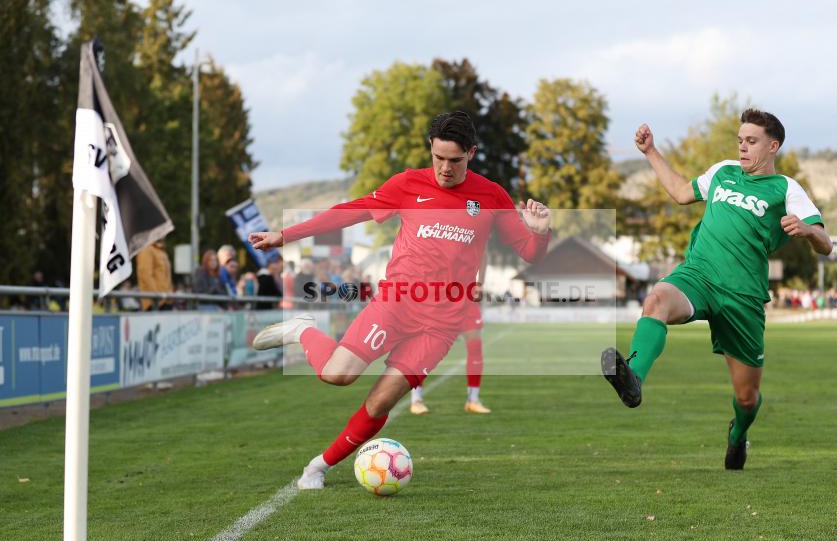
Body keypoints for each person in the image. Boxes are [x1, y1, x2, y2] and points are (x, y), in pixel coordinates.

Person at [248, 111, 551, 490]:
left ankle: (316, 468)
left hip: (441, 325)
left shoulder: (491, 195)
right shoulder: (408, 184)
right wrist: (286, 234)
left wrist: (540, 233)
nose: (444, 168)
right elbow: (350, 212)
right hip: (396, 305)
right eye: (438, 158)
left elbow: (530, 252)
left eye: (455, 161)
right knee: (337, 375)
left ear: (471, 153)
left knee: (381, 403)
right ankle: (303, 330)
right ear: (430, 149)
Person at [602, 109, 833, 471]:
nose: (742, 147)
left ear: (773, 146)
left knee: (746, 398)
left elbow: (826, 243)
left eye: (751, 141)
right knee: (656, 300)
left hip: (743, 297)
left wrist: (808, 231)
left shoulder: (786, 188)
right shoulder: (724, 172)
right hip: (700, 275)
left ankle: (738, 434)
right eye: (740, 140)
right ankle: (633, 377)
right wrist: (650, 152)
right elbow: (680, 192)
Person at [409, 252, 490, 414]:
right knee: (425, 349)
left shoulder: (476, 227)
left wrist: (479, 284)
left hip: (465, 295)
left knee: (475, 346)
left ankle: (473, 400)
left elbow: (482, 253)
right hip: (437, 294)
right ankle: (416, 400)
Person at [136, 239, 174, 310]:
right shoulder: (146, 249)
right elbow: (146, 275)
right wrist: (157, 297)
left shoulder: (161, 251)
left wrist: (170, 295)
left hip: (166, 300)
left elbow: (167, 277)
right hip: (155, 303)